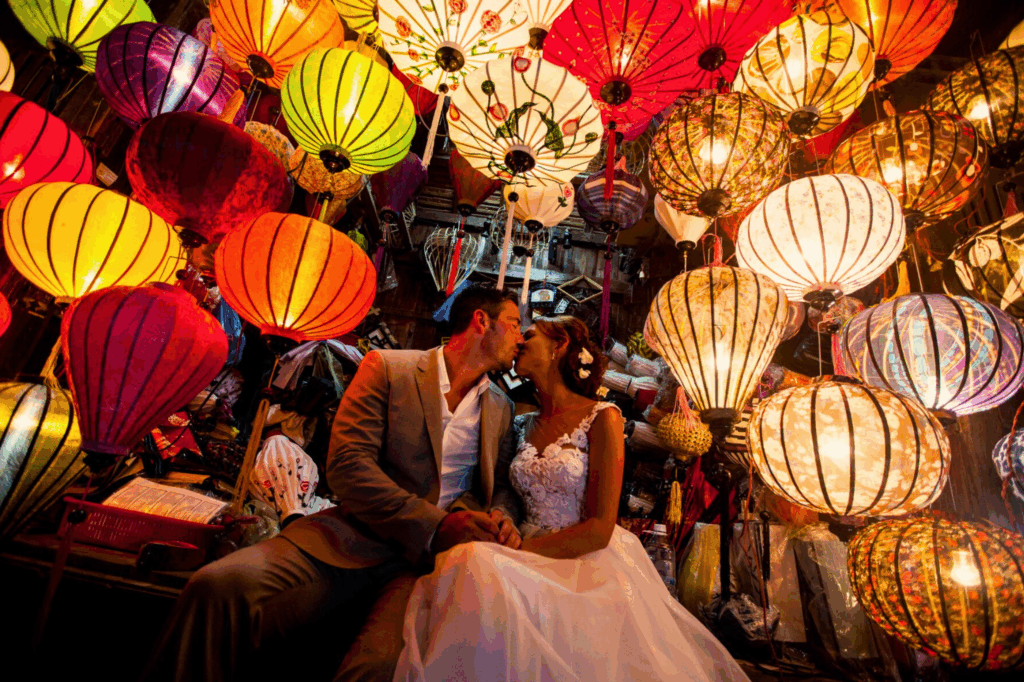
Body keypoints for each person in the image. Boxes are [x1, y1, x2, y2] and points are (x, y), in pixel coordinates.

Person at [141, 286, 526, 682]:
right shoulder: (389, 368)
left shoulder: (500, 406)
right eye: (515, 324)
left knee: (378, 668)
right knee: (219, 587)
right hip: (354, 535)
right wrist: (435, 524)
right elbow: (347, 465)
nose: (520, 337)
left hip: (427, 567)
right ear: (482, 321)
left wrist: (500, 517)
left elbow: (500, 485)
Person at [394, 316, 751, 682]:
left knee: (480, 566)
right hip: (517, 543)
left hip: (583, 557)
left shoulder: (603, 418)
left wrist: (517, 552)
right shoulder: (519, 421)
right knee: (469, 567)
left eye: (529, 335)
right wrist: (500, 524)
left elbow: (599, 529)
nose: (519, 342)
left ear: (559, 345)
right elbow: (502, 491)